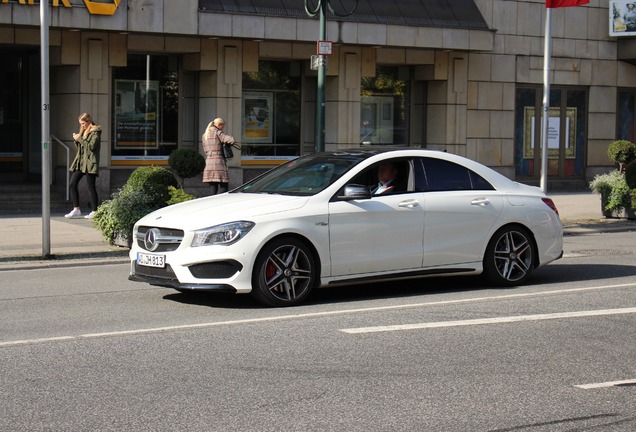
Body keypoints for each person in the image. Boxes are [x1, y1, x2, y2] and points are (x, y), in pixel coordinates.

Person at [65, 113, 101, 219]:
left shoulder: (95, 131)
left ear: (89, 121)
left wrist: (80, 139)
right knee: (72, 184)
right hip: (80, 163)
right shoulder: (83, 131)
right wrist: (76, 139)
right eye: (80, 124)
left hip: (90, 163)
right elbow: (81, 148)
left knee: (91, 187)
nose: (82, 125)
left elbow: (91, 147)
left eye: (83, 123)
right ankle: (76, 209)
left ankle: (95, 211)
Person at [202, 117, 237, 195]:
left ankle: (212, 203)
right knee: (224, 185)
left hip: (209, 162)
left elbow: (205, 149)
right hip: (218, 162)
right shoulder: (218, 132)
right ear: (219, 124)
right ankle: (220, 202)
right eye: (223, 126)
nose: (223, 128)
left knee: (212, 186)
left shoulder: (205, 135)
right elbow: (230, 140)